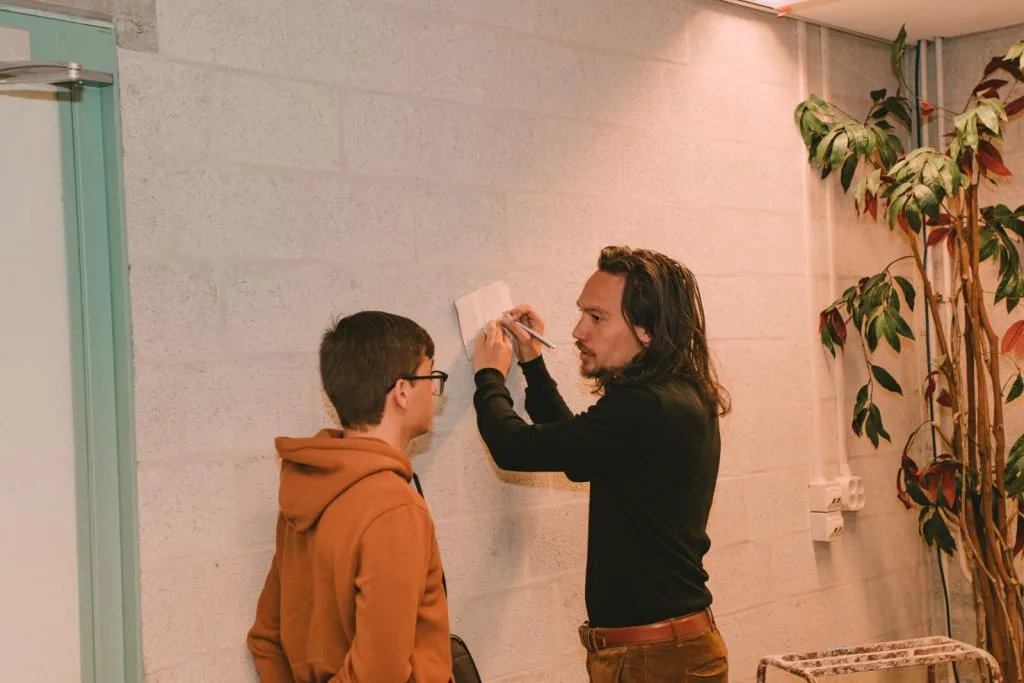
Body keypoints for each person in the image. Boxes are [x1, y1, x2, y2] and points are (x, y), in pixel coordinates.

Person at [472, 246, 731, 683]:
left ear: (647, 330)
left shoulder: (646, 405)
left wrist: (488, 376)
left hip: (654, 661)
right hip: (663, 653)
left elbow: (514, 448)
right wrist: (533, 363)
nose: (578, 330)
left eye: (597, 317)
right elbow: (577, 452)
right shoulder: (675, 394)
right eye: (582, 314)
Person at [248, 311, 453, 683]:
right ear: (402, 391)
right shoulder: (394, 509)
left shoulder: (306, 490)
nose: (435, 393)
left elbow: (266, 638)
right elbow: (378, 674)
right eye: (431, 377)